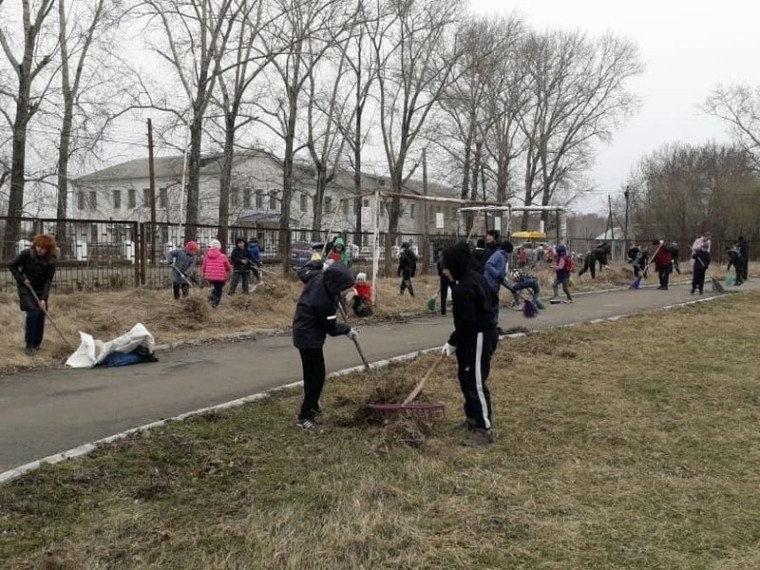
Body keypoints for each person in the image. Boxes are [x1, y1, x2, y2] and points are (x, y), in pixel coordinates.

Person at [440, 242, 499, 447]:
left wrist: (452, 342)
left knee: (475, 381)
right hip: (471, 336)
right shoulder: (471, 279)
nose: (444, 271)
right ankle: (472, 418)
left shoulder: (465, 287)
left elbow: (467, 322)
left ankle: (484, 429)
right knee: (465, 377)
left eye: (446, 266)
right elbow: (494, 297)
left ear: (456, 264)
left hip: (479, 336)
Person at [292, 263, 359, 431]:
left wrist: (314, 264)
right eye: (343, 287)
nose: (344, 290)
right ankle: (305, 416)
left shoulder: (318, 275)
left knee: (311, 375)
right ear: (335, 283)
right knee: (316, 377)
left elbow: (302, 272)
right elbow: (331, 328)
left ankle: (312, 405)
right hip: (309, 337)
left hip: (302, 329)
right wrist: (348, 330)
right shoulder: (325, 301)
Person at [8, 234, 58, 355]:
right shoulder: (26, 254)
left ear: (48, 249)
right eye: (38, 246)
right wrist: (22, 279)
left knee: (41, 313)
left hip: (40, 289)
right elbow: (12, 266)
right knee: (33, 312)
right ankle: (29, 345)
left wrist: (43, 299)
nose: (40, 249)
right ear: (35, 245)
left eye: (43, 248)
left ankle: (37, 344)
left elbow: (48, 281)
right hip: (26, 287)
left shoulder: (51, 261)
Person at [202, 239, 232, 307]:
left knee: (215, 288)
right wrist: (227, 270)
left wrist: (204, 274)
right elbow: (228, 266)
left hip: (209, 276)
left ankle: (211, 297)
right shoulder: (223, 256)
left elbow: (203, 266)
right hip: (220, 277)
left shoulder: (206, 256)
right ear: (219, 248)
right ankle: (215, 304)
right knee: (219, 290)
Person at [435, 246, 451, 316]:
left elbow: (439, 272)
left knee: (443, 295)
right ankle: (457, 308)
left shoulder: (439, 260)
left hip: (443, 277)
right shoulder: (450, 258)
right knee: (455, 292)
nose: (438, 254)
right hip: (451, 276)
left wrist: (441, 276)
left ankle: (443, 311)